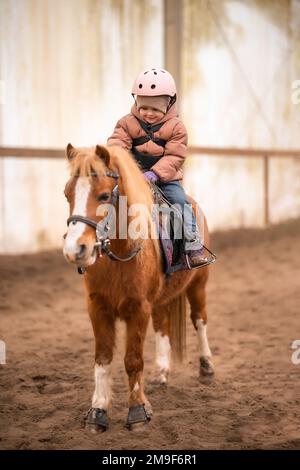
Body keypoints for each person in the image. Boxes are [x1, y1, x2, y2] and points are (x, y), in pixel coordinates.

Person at [107, 67, 208, 268]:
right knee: (109, 197)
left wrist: (155, 174)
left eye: (155, 109)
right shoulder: (126, 123)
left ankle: (193, 246)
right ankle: (100, 240)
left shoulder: (177, 127)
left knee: (180, 202)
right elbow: (117, 145)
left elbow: (175, 155)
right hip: (134, 176)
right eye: (144, 107)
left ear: (168, 105)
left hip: (166, 178)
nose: (148, 113)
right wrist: (129, 171)